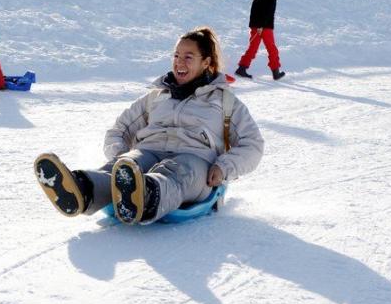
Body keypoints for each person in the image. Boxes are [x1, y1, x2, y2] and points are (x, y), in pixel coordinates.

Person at [34, 27, 264, 225]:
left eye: (188, 57)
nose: (179, 62)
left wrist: (225, 167)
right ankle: (83, 189)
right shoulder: (156, 97)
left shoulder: (224, 101)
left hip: (196, 160)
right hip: (149, 149)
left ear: (206, 63)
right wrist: (122, 158)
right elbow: (120, 129)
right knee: (127, 164)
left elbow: (252, 143)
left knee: (176, 173)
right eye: (176, 55)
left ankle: (145, 195)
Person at [235, 0, 285, 80]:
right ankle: (275, 72)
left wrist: (256, 25)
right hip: (265, 27)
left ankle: (242, 68)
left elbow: (254, 13)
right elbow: (267, 13)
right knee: (272, 49)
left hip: (256, 26)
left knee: (253, 48)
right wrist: (261, 26)